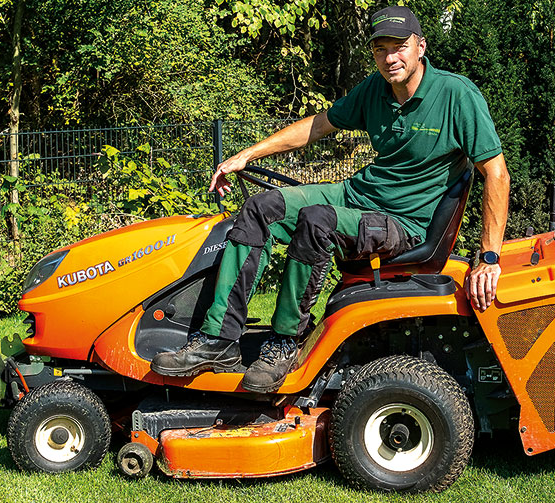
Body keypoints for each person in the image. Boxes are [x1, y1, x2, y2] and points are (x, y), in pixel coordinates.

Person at [150, 5, 510, 393]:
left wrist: (489, 257)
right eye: (380, 49)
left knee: (318, 221)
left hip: (401, 224)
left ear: (420, 46)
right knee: (260, 208)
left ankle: (286, 341)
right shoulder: (375, 90)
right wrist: (247, 155)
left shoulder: (456, 95)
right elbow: (318, 125)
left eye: (400, 47)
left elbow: (496, 174)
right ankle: (218, 340)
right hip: (357, 196)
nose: (390, 58)